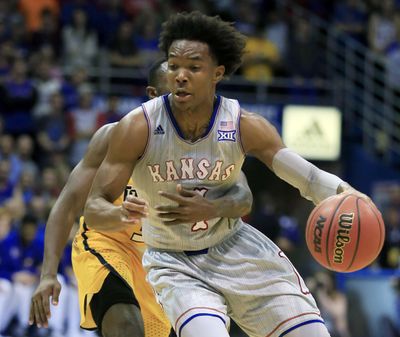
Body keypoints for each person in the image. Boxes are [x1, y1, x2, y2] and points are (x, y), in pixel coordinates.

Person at [84, 11, 373, 337]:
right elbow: (94, 208)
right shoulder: (137, 127)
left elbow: (306, 178)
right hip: (174, 262)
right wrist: (118, 213)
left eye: (193, 68)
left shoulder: (242, 123)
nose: (180, 76)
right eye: (174, 65)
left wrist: (346, 192)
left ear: (216, 74)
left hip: (237, 249)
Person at [29, 58, 253, 337]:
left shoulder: (209, 145)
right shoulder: (114, 136)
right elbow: (67, 204)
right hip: (108, 243)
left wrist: (214, 206)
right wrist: (48, 273)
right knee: (125, 326)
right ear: (153, 95)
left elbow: (243, 197)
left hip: (163, 259)